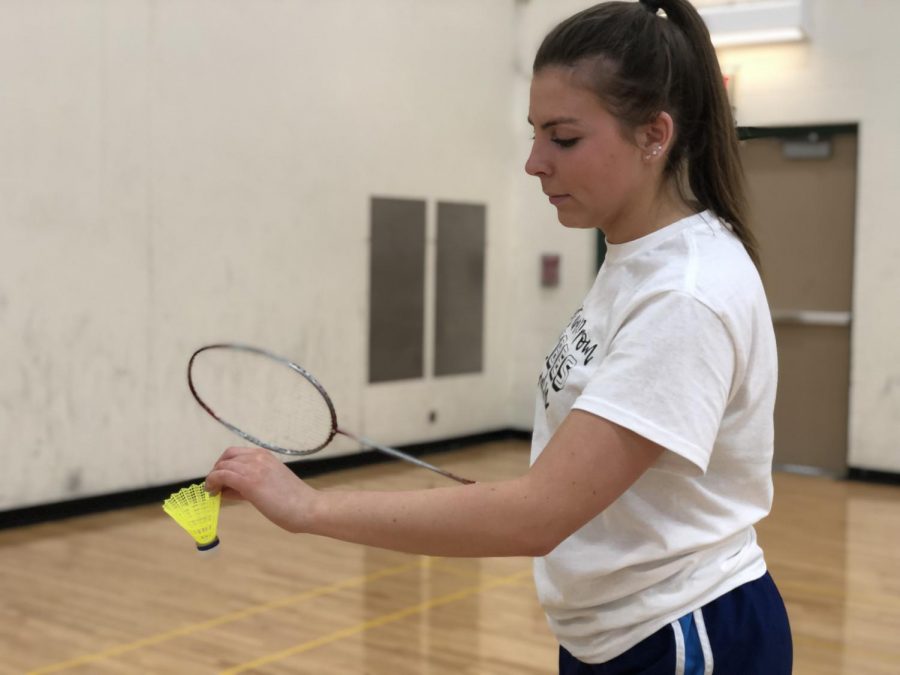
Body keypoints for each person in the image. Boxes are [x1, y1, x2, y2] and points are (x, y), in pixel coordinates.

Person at [205, 0, 793, 672]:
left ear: (655, 135)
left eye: (563, 138)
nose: (535, 162)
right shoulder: (635, 257)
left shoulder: (683, 295)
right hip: (616, 628)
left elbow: (536, 518)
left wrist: (310, 505)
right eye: (534, 132)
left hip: (683, 634)